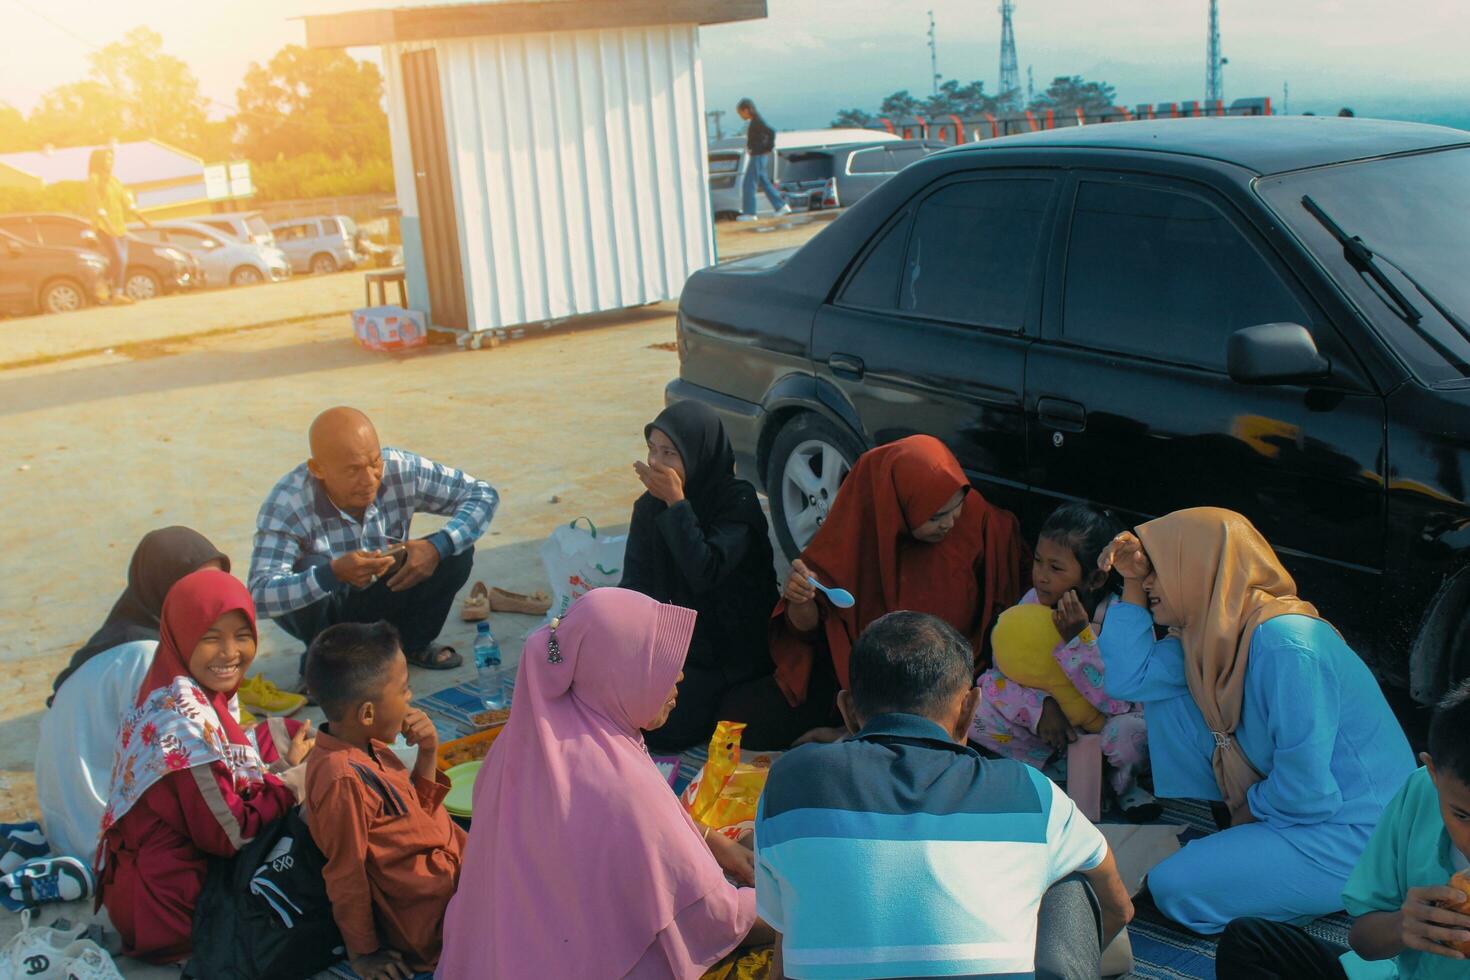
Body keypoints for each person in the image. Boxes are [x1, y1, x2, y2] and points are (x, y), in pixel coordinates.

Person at [755, 611, 1133, 979]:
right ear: (970, 709)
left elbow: (786, 946)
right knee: (1072, 883)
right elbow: (1118, 906)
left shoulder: (790, 780)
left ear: (848, 711)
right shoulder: (1029, 791)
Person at [1098, 507, 1415, 934]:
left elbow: (1307, 791)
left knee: (1174, 885)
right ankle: (1260, 866)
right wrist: (1132, 581)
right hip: (1297, 812)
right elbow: (1128, 677)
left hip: (1360, 834)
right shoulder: (1209, 640)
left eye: (1158, 569)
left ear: (1201, 567)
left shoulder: (1287, 643)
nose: (1150, 581)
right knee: (1167, 696)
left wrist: (1250, 810)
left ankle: (1327, 888)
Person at [439, 588, 769, 978]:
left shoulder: (518, 743)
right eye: (658, 664)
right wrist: (798, 904)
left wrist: (710, 840)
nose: (679, 675)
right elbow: (715, 918)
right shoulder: (624, 784)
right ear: (616, 673)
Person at [95, 569, 311, 963]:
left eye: (242, 636)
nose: (230, 653)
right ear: (182, 636)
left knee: (288, 737)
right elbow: (231, 837)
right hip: (170, 909)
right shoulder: (185, 733)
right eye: (211, 637)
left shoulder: (174, 684)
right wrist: (291, 782)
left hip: (165, 874)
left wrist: (282, 768)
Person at [764, 434, 1028, 748]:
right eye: (936, 517)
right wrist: (800, 598)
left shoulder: (978, 522)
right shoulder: (854, 536)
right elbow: (807, 634)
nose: (950, 523)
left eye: (957, 508)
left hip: (945, 692)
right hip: (870, 691)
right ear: (897, 507)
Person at [1216, 679, 1470, 980]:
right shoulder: (1420, 792)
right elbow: (1364, 942)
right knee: (1248, 942)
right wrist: (1404, 925)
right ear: (1433, 773)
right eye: (1462, 815)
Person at [248, 406, 497, 673]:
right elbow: (259, 595)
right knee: (308, 566)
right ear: (317, 469)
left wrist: (438, 547)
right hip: (332, 605)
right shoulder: (288, 503)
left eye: (374, 463)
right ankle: (325, 663)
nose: (369, 479)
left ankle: (411, 642)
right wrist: (330, 574)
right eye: (353, 470)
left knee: (455, 550)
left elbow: (483, 494)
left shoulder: (400, 469)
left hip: (386, 589)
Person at [36, 527, 229, 863]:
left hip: (71, 829)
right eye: (195, 589)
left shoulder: (125, 638)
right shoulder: (147, 657)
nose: (211, 600)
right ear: (164, 587)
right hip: (104, 842)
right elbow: (188, 765)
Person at [971, 503, 1157, 820]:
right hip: (1051, 728)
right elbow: (1000, 677)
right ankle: (1056, 766)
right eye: (1038, 563)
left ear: (1096, 579)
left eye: (1056, 569)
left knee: (1131, 735)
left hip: (1105, 726)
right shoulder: (1030, 604)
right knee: (976, 705)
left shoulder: (1120, 618)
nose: (1041, 577)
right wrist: (1040, 707)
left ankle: (1119, 784)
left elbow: (1119, 703)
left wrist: (1079, 641)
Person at [303, 621, 466, 980]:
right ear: (367, 714)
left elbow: (416, 816)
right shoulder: (342, 778)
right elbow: (347, 875)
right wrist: (363, 954)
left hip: (458, 874)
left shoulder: (369, 744)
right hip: (432, 920)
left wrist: (427, 753)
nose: (410, 698)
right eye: (404, 690)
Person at [619, 401, 779, 750]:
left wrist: (677, 505)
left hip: (734, 653)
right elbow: (635, 585)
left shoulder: (737, 501)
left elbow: (705, 571)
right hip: (676, 653)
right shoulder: (649, 507)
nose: (656, 463)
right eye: (651, 450)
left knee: (673, 731)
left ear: (698, 454)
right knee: (623, 710)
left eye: (669, 453)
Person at [85, 147, 149, 305]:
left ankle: (117, 295)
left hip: (119, 226)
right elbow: (97, 206)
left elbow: (127, 202)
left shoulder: (114, 180)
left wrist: (143, 218)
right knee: (119, 259)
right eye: (107, 159)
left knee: (123, 260)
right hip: (104, 227)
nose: (110, 162)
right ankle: (101, 282)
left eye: (111, 159)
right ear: (99, 161)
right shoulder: (94, 180)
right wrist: (108, 224)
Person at [735, 98, 790, 221]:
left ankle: (750, 213)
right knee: (764, 183)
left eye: (740, 113)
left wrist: (769, 148)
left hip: (758, 156)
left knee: (749, 183)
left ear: (747, 110)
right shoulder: (755, 121)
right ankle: (781, 206)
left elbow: (771, 132)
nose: (740, 115)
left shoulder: (757, 121)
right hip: (758, 155)